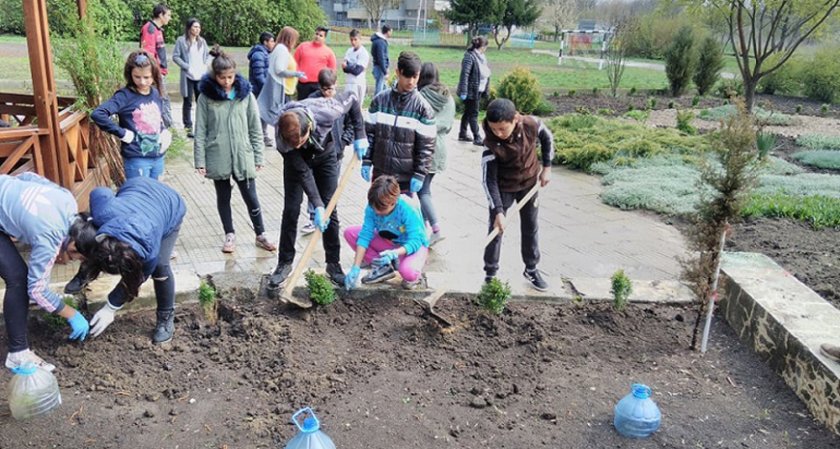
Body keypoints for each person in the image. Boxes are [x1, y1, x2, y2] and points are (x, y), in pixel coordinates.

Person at [267, 91, 368, 289]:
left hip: (326, 155)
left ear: (309, 128)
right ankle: (284, 263)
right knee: (291, 209)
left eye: (302, 141)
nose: (299, 145)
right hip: (297, 165)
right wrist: (317, 205)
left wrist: (360, 133)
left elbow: (353, 98)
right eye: (294, 144)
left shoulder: (327, 111)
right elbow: (303, 173)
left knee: (331, 207)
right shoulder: (282, 139)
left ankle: (333, 264)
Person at [75, 177, 186, 344]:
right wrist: (94, 219)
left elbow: (133, 282)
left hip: (170, 204)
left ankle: (165, 317)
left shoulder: (150, 254)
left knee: (161, 268)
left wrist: (110, 308)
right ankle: (84, 275)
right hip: (138, 186)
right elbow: (100, 192)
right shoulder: (104, 212)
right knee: (95, 241)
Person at [1, 173, 90, 371]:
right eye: (80, 258)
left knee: (17, 275)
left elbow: (27, 176)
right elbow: (37, 290)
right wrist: (71, 314)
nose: (76, 261)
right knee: (18, 279)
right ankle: (18, 354)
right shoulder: (50, 237)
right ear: (74, 246)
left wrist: (13, 209)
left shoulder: (67, 201)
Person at [194, 52, 276, 254]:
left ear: (235, 74)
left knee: (251, 196)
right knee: (223, 197)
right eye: (222, 78)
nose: (226, 82)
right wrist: (200, 160)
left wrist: (258, 155)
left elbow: (255, 127)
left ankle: (261, 233)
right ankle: (229, 234)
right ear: (215, 76)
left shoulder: (245, 95)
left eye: (230, 77)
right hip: (218, 154)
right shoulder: (206, 97)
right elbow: (200, 130)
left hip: (243, 154)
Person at [481, 98, 553, 291]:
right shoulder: (490, 143)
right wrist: (498, 211)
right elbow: (489, 181)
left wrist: (547, 167)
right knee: (496, 229)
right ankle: (490, 273)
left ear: (515, 119)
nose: (498, 133)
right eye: (494, 128)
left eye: (502, 129)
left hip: (529, 183)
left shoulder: (531, 125)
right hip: (504, 187)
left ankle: (531, 268)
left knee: (530, 226)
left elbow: (547, 138)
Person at [92, 50, 172, 180]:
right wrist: (121, 133)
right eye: (137, 77)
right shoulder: (124, 96)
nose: (142, 82)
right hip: (137, 158)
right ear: (130, 75)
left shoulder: (156, 93)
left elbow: (157, 119)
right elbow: (98, 114)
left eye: (147, 77)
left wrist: (164, 132)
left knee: (156, 197)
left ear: (154, 75)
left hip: (158, 156)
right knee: (140, 197)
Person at [364, 51, 435, 194]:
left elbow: (426, 146)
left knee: (402, 216)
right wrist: (366, 160)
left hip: (404, 181)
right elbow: (369, 135)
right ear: (398, 72)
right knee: (376, 214)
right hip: (380, 177)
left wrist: (420, 174)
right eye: (407, 76)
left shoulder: (423, 108)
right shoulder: (379, 101)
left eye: (415, 77)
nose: (411, 82)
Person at [343, 175, 429, 290]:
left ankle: (416, 276)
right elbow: (365, 235)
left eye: (382, 209)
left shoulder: (408, 208)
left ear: (394, 202)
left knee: (408, 273)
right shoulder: (372, 207)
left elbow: (416, 240)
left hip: (412, 246)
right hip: (390, 242)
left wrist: (395, 253)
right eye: (375, 208)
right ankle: (383, 267)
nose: (377, 212)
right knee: (350, 233)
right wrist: (355, 267)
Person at [300, 68, 358, 235]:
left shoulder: (342, 102)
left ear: (336, 85)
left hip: (336, 153)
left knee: (330, 189)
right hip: (316, 153)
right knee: (314, 187)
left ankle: (331, 217)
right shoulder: (312, 102)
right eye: (324, 89)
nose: (327, 93)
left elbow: (351, 124)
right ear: (319, 86)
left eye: (331, 89)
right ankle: (313, 217)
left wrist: (345, 140)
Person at [417, 62, 455, 247]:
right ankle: (422, 229)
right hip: (440, 147)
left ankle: (436, 228)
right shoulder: (448, 97)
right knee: (425, 189)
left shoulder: (419, 96)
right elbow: (448, 126)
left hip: (424, 146)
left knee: (421, 190)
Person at [257, 26, 305, 148]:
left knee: (270, 114)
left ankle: (267, 137)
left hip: (286, 89)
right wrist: (296, 74)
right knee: (283, 119)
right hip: (283, 90)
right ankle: (284, 142)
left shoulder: (279, 49)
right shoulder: (282, 50)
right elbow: (279, 70)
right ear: (290, 39)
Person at [172, 17, 210, 138]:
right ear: (189, 28)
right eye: (195, 27)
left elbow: (207, 55)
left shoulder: (202, 42)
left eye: (199, 27)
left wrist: (205, 65)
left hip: (200, 76)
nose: (197, 29)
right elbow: (175, 56)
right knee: (187, 102)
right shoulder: (181, 41)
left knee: (201, 101)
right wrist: (186, 66)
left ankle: (202, 126)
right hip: (188, 76)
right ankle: (188, 127)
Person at [139, 3, 173, 128]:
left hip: (160, 72)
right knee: (162, 100)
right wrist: (155, 74)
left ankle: (165, 128)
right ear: (160, 15)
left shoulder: (157, 29)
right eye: (168, 15)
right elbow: (148, 54)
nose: (170, 18)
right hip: (155, 73)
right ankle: (168, 129)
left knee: (163, 99)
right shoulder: (150, 29)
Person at [457, 36, 491, 146]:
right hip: (471, 91)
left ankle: (462, 133)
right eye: (486, 46)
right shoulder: (469, 56)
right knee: (474, 113)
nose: (486, 49)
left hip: (479, 89)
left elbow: (486, 73)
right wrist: (463, 91)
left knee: (468, 112)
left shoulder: (482, 57)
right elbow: (464, 75)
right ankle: (477, 137)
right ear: (482, 46)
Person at [294, 26, 336, 100]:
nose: (317, 37)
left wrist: (330, 85)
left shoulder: (328, 52)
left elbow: (332, 70)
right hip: (303, 84)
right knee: (302, 107)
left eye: (321, 35)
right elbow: (294, 62)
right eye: (316, 34)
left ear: (324, 38)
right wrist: (297, 74)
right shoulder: (303, 46)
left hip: (319, 85)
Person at [342, 29, 369, 102]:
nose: (353, 42)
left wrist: (347, 67)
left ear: (360, 39)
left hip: (358, 84)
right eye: (351, 40)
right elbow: (344, 68)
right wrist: (350, 67)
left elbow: (357, 71)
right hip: (348, 83)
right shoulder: (349, 51)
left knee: (357, 108)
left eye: (355, 39)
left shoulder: (363, 53)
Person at [248, 31, 275, 99]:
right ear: (265, 42)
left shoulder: (266, 54)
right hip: (258, 91)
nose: (273, 44)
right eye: (271, 41)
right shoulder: (258, 55)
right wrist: (267, 89)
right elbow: (259, 76)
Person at [370, 24, 391, 96]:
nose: (391, 33)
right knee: (379, 89)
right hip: (380, 68)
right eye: (391, 31)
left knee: (384, 87)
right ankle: (377, 104)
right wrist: (385, 71)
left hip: (378, 67)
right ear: (388, 31)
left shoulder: (378, 41)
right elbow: (381, 58)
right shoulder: (381, 42)